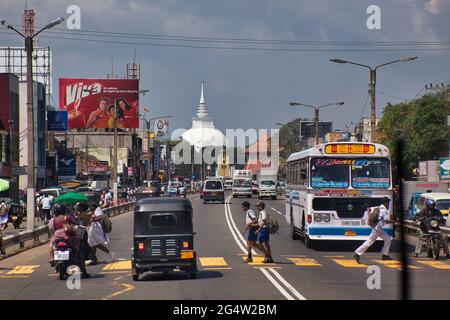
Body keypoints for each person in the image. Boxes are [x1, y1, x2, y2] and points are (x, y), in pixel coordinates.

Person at [49, 204, 90, 278]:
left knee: (52, 246)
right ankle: (83, 271)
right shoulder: (67, 217)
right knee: (79, 251)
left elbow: (52, 230)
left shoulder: (53, 220)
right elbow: (76, 226)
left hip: (57, 237)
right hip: (68, 237)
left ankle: (52, 258)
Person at [354, 197, 396, 263]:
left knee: (388, 239)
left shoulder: (378, 207)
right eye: (388, 202)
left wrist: (369, 219)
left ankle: (385, 255)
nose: (388, 204)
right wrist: (394, 221)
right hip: (377, 228)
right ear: (385, 203)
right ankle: (357, 253)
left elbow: (368, 209)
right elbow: (386, 221)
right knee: (370, 241)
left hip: (378, 228)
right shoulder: (384, 210)